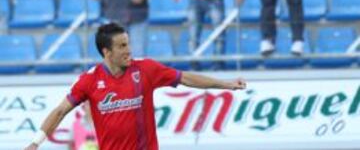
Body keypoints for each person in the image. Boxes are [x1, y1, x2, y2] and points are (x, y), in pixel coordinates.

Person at [23, 22, 247, 150]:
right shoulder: (89, 80)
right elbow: (61, 110)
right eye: (122, 46)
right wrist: (36, 143)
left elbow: (186, 77)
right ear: (106, 52)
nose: (128, 50)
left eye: (128, 43)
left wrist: (225, 84)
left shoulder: (146, 69)